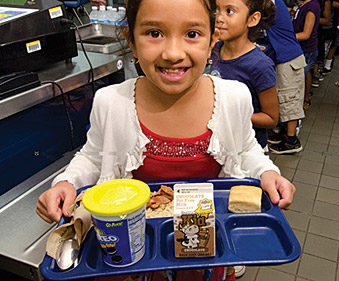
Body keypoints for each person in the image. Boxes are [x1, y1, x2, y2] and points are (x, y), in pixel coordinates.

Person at [36, 0, 295, 278]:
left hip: (208, 250)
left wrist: (267, 172)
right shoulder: (111, 102)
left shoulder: (234, 97)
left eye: (192, 34)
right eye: (154, 33)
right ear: (131, 40)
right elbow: (94, 156)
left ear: (212, 41)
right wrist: (67, 182)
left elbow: (245, 149)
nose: (173, 53)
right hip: (136, 252)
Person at [209, 0, 279, 149]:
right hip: (219, 144)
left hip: (245, 149)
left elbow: (271, 118)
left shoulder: (259, 65)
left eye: (229, 11)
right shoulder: (214, 49)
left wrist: (229, 115)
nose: (219, 18)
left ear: (252, 19)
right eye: (216, 10)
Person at [264, 0, 307, 154]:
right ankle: (282, 134)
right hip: (283, 58)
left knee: (290, 100)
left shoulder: (273, 4)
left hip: (289, 59)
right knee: (282, 98)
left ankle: (291, 141)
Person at [292, 0, 320, 110]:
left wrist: (286, 38)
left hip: (307, 49)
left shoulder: (311, 7)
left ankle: (301, 103)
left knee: (299, 78)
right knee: (306, 74)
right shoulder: (304, 5)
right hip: (304, 49)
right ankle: (306, 98)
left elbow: (306, 34)